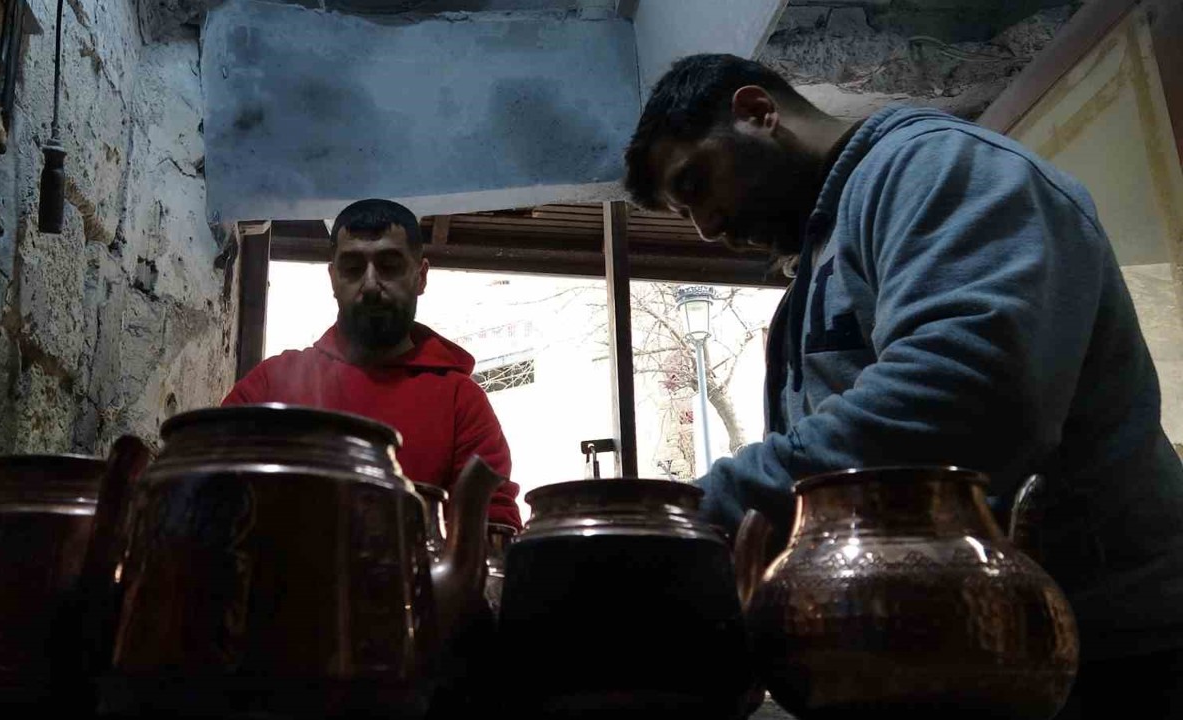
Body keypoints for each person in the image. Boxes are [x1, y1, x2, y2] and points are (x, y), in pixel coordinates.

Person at [623, 54, 1183, 717]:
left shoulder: (938, 167)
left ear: (756, 112)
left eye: (695, 185)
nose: (708, 228)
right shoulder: (818, 266)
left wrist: (698, 512)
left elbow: (963, 399)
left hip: (1108, 662)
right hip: (969, 662)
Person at [223, 198, 522, 529]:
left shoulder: (461, 402)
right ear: (333, 277)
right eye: (352, 268)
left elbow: (492, 531)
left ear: (421, 276)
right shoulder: (272, 384)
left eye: (389, 265)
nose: (369, 285)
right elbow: (208, 493)